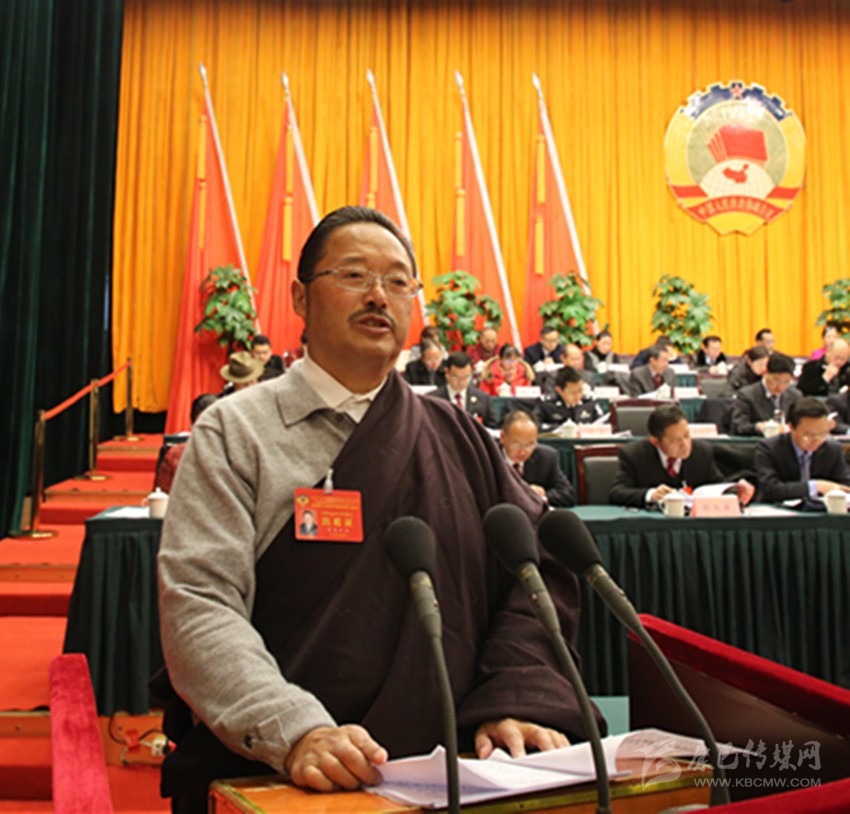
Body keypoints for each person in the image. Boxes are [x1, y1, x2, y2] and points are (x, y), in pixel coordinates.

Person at [157, 206, 598, 811]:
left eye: (397, 281)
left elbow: (534, 572)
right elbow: (200, 602)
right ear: (301, 298)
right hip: (290, 778)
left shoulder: (456, 435)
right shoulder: (237, 432)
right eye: (354, 275)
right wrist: (295, 730)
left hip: (456, 772)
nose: (378, 296)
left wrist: (513, 697)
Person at [609, 405, 755, 508]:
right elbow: (617, 493)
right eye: (675, 440)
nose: (685, 444)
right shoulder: (635, 454)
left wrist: (733, 489)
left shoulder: (702, 451)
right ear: (655, 441)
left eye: (686, 435)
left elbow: (715, 485)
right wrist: (650, 494)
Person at [755, 398, 850, 503]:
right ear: (791, 427)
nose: (816, 440)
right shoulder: (769, 448)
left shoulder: (832, 449)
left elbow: (846, 484)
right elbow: (770, 489)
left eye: (822, 434)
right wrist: (815, 486)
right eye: (809, 435)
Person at [500, 410, 575, 507]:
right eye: (516, 444)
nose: (523, 452)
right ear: (502, 437)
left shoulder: (546, 457)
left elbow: (567, 494)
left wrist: (542, 495)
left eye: (530, 445)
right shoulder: (489, 457)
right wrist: (525, 492)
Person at [154, 394, 218, 493]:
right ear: (192, 426)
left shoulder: (236, 457)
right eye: (203, 427)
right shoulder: (174, 456)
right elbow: (162, 496)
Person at [730, 352, 801, 436]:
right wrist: (758, 427)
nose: (780, 386)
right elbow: (739, 426)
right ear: (765, 372)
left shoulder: (795, 396)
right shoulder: (747, 395)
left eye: (786, 382)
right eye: (776, 380)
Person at [431, 351, 496, 427]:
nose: (461, 382)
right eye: (456, 377)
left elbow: (492, 427)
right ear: (447, 373)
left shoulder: (483, 399)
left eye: (465, 377)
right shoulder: (433, 399)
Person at [535, 367, 606, 431]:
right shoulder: (546, 404)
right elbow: (536, 425)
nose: (578, 396)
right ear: (559, 391)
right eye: (573, 393)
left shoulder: (589, 402)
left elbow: (603, 423)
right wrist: (562, 428)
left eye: (580, 390)